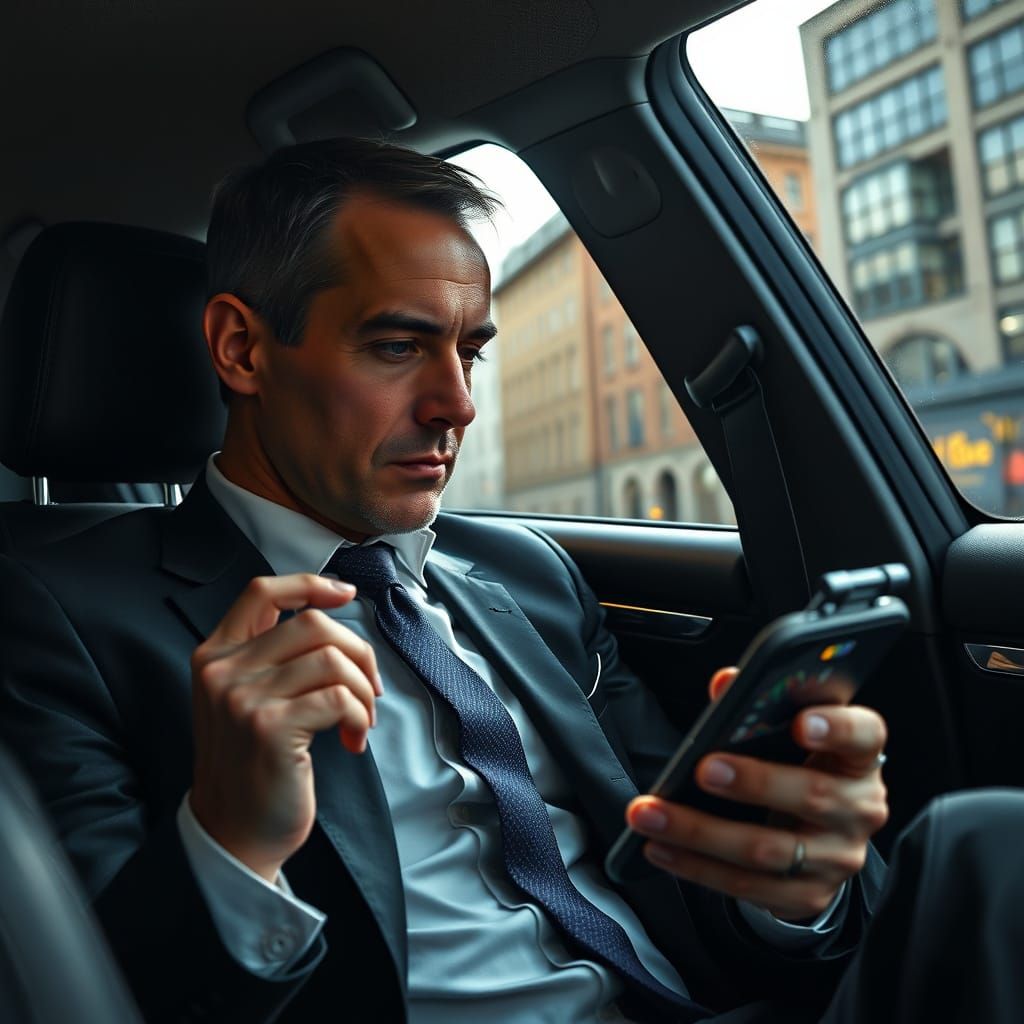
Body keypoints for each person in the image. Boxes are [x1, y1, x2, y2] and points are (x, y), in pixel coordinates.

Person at [0, 138, 1020, 1024]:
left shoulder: (524, 574)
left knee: (982, 845)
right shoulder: (60, 615)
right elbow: (79, 987)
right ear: (241, 347)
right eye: (397, 345)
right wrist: (230, 839)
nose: (455, 406)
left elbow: (669, 868)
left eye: (468, 353)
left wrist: (789, 887)